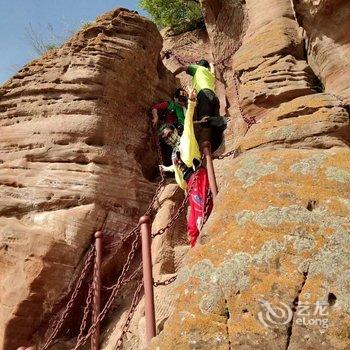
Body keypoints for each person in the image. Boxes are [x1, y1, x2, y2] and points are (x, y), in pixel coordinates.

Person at [159, 88, 212, 247]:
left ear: (175, 130)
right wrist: (166, 168)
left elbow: (188, 119)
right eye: (166, 138)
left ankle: (208, 245)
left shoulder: (185, 138)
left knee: (201, 216)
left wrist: (191, 102)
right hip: (189, 185)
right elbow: (176, 168)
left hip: (198, 176)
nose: (169, 138)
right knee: (192, 226)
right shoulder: (174, 152)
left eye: (170, 133)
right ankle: (196, 251)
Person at [173, 60, 225, 151]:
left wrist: (172, 75)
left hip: (203, 95)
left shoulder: (198, 68)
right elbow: (212, 69)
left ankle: (223, 121)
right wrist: (211, 65)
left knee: (204, 121)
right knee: (214, 126)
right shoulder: (210, 74)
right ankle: (216, 147)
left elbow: (182, 68)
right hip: (214, 97)